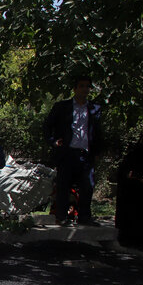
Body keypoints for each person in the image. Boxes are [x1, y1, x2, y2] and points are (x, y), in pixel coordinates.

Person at [44, 75, 105, 225]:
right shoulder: (62, 107)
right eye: (81, 86)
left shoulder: (94, 109)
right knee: (64, 186)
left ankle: (84, 217)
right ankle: (62, 216)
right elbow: (47, 126)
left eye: (87, 86)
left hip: (86, 154)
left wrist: (97, 151)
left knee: (87, 186)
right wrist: (53, 142)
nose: (84, 89)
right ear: (75, 88)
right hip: (67, 153)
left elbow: (98, 132)